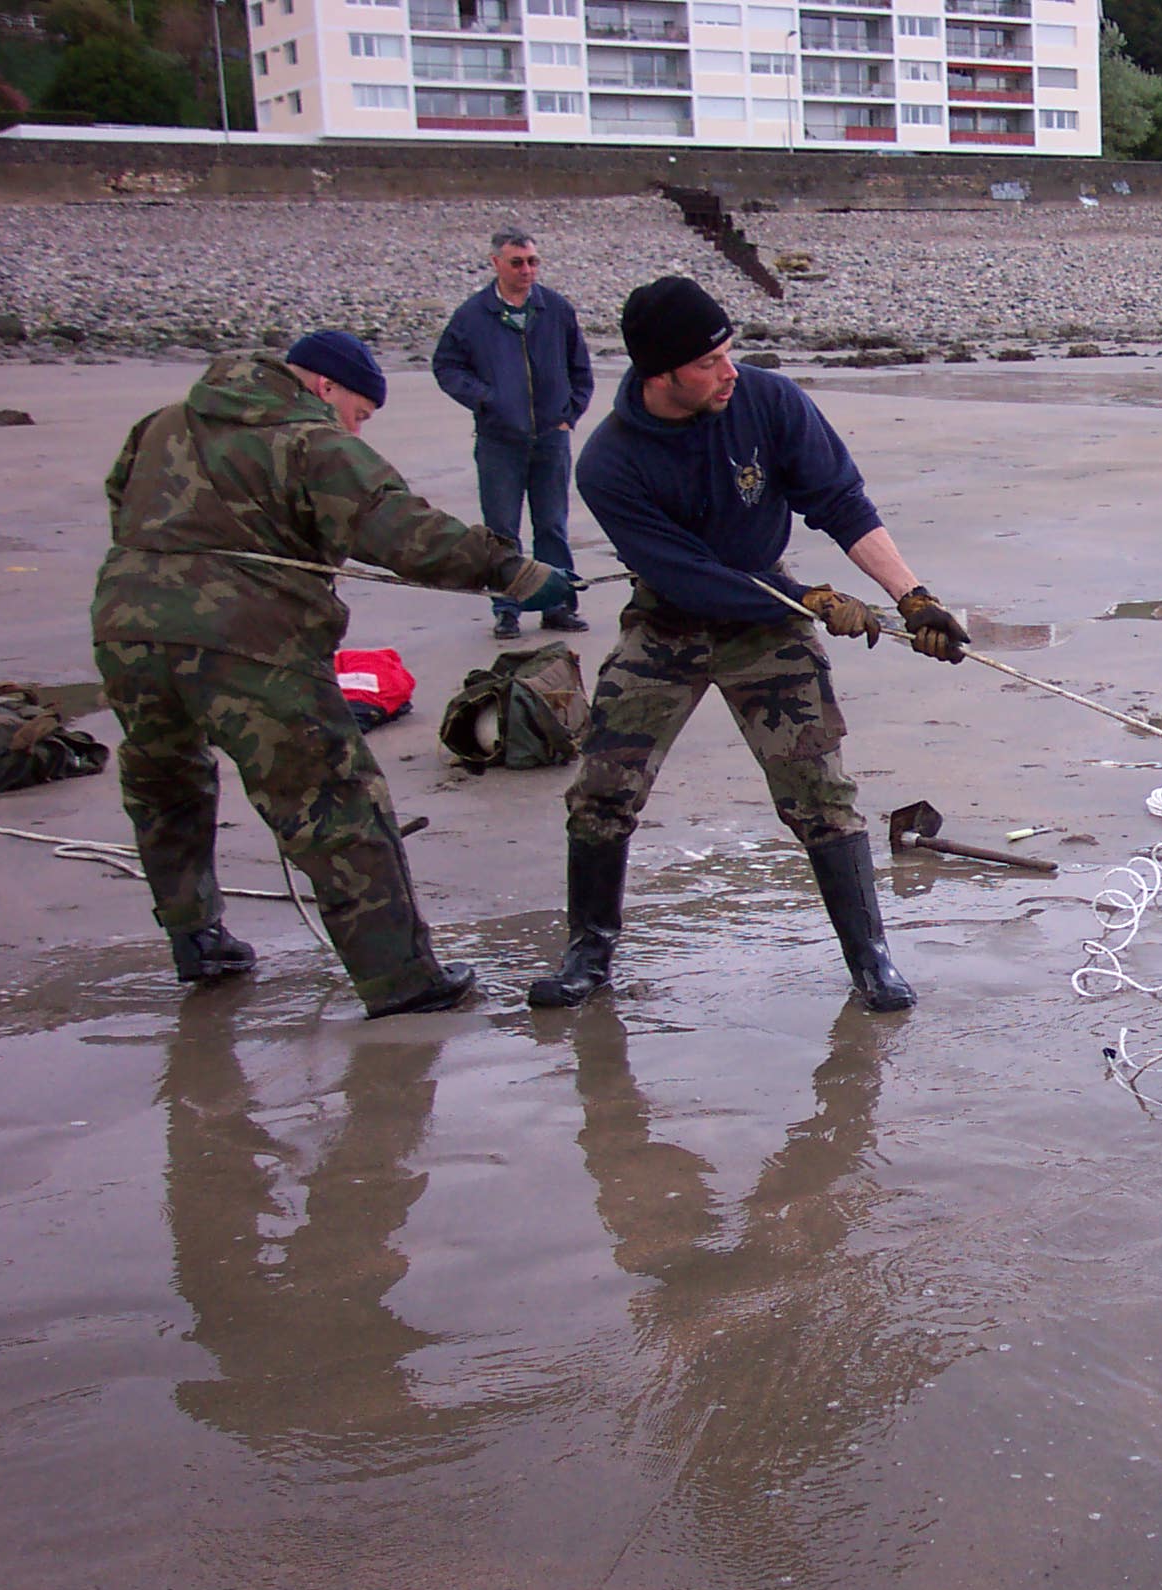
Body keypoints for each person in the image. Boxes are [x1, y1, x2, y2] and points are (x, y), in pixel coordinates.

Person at [92, 331, 578, 1016]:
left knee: (164, 780)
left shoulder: (162, 424)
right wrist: (514, 571)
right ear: (326, 387)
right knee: (334, 802)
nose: (357, 425)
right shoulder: (309, 441)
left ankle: (195, 938)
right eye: (360, 411)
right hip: (247, 642)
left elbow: (121, 503)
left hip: (126, 628)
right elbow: (399, 530)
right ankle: (402, 981)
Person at [527, 276, 972, 1014]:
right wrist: (817, 601)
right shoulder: (608, 463)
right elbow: (690, 575)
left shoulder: (767, 400)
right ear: (658, 374)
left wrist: (911, 596)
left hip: (769, 625)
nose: (728, 372)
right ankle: (589, 952)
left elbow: (839, 500)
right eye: (708, 363)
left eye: (730, 352)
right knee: (604, 788)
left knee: (821, 793)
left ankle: (871, 962)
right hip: (669, 619)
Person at [431, 227, 594, 641]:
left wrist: (569, 413)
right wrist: (486, 399)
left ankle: (559, 604)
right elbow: (447, 367)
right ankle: (507, 608)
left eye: (533, 262)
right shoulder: (473, 315)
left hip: (551, 438)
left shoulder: (555, 310)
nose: (527, 270)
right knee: (502, 530)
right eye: (518, 262)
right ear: (496, 263)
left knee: (552, 525)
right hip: (499, 440)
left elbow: (580, 368)